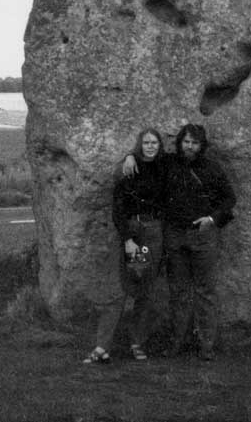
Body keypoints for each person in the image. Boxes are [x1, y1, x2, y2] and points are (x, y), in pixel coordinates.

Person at [123, 123, 236, 361]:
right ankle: (177, 343)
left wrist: (213, 219)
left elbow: (229, 199)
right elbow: (148, 156)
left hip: (203, 235)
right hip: (174, 235)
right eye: (186, 141)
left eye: (195, 142)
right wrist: (130, 156)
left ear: (201, 145)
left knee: (206, 291)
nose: (190, 146)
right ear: (180, 143)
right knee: (179, 292)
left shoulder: (212, 168)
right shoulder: (169, 162)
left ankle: (206, 345)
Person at [83, 128, 166, 364]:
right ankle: (103, 346)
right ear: (140, 145)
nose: (150, 146)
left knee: (145, 289)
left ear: (160, 146)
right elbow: (118, 206)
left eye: (155, 142)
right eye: (146, 142)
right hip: (135, 232)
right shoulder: (129, 168)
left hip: (153, 231)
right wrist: (129, 239)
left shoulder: (164, 167)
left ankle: (136, 342)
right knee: (125, 285)